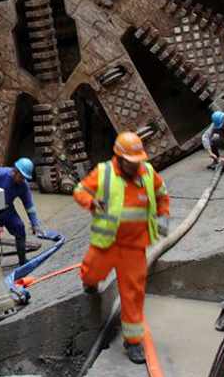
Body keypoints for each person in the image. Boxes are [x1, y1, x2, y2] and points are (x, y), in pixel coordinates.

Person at [73, 131, 170, 364]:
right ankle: (90, 282)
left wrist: (163, 215)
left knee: (133, 294)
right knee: (91, 273)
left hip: (134, 247)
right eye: (132, 162)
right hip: (107, 244)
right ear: (120, 158)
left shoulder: (148, 173)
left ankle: (133, 342)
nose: (136, 166)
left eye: (139, 161)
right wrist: (91, 202)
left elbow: (161, 194)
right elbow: (80, 190)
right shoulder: (104, 173)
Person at [0, 158, 44, 265]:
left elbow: (29, 205)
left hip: (5, 209)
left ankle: (22, 261)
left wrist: (35, 224)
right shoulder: (1, 173)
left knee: (19, 227)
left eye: (24, 178)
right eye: (21, 177)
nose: (22, 180)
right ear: (15, 171)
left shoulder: (23, 186)